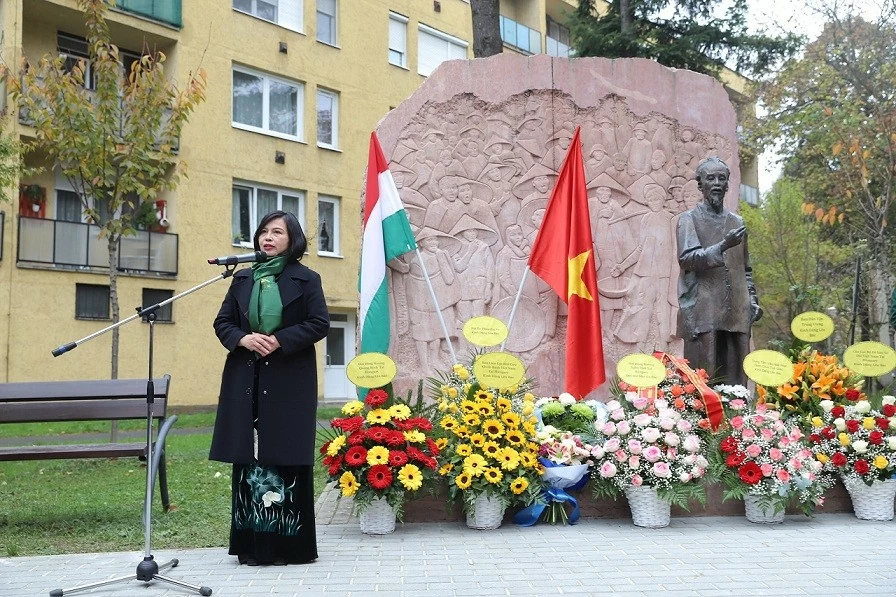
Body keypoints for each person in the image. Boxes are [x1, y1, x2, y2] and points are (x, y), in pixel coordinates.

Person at [209, 210, 330, 566]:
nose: (268, 237)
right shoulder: (242, 279)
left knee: (284, 457)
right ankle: (251, 545)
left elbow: (319, 323)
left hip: (289, 380)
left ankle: (290, 546)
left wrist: (279, 340)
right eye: (264, 231)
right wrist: (243, 337)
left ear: (292, 240)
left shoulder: (307, 279)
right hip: (246, 377)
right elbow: (223, 322)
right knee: (250, 458)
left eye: (277, 232)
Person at [677, 158, 761, 385]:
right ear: (700, 184)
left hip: (737, 307)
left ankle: (737, 419)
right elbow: (687, 259)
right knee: (706, 376)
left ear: (727, 185)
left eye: (721, 178)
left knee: (737, 379)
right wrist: (723, 245)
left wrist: (753, 300)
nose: (716, 183)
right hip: (704, 306)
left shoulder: (737, 221)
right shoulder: (688, 219)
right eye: (710, 178)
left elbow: (746, 268)